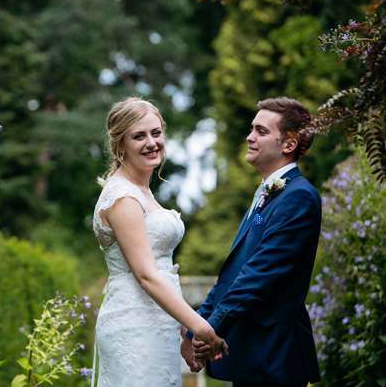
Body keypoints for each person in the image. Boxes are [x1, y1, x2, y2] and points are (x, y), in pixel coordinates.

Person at [181, 97, 322, 387]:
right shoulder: (267, 193)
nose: (250, 136)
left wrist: (209, 331)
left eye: (261, 131)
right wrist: (194, 329)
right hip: (252, 354)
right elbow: (231, 274)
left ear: (288, 144)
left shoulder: (299, 197)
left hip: (272, 355)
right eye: (251, 128)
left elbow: (257, 275)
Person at [91, 97, 228, 387]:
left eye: (156, 132)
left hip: (158, 322)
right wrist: (200, 327)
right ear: (120, 146)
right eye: (138, 136)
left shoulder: (142, 191)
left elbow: (162, 271)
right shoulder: (123, 196)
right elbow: (146, 276)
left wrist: (183, 334)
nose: (151, 142)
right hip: (134, 326)